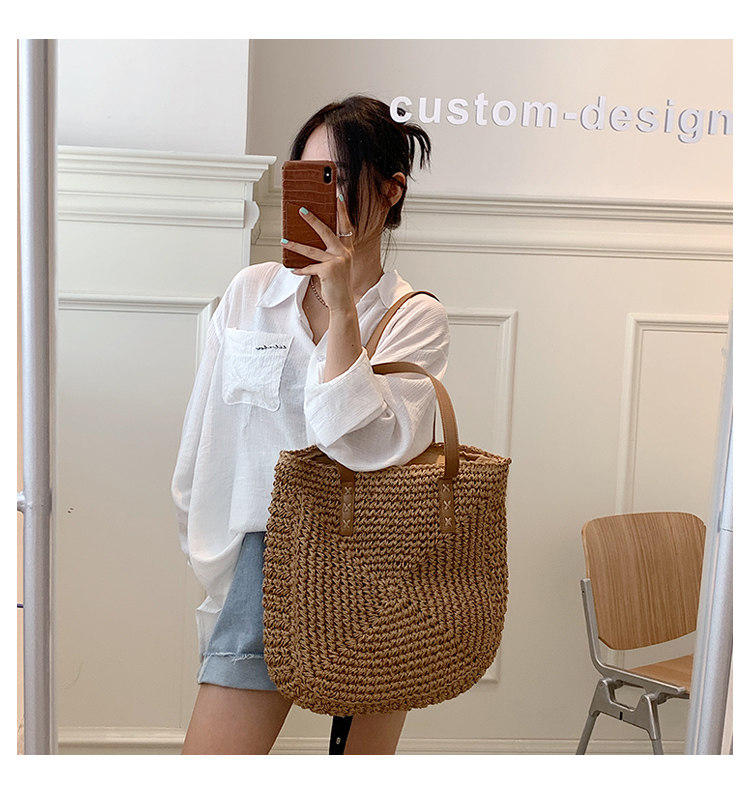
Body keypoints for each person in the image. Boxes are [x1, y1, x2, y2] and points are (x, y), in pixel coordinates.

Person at [171, 95, 450, 754]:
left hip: (377, 567)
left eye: (339, 178)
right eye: (308, 175)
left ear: (390, 190)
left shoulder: (415, 318)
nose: (323, 197)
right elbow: (204, 435)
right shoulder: (251, 294)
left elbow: (360, 445)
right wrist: (204, 543)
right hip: (261, 561)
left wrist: (343, 305)